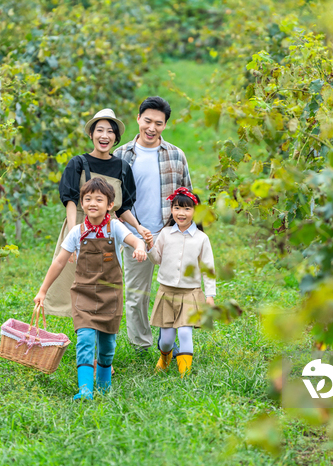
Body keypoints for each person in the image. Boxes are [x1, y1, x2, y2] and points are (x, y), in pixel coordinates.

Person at [34, 178, 147, 400]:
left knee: (107, 345)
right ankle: (85, 390)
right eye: (87, 199)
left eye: (99, 199)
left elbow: (135, 240)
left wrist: (141, 248)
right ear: (82, 205)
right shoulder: (77, 231)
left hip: (110, 295)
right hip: (83, 294)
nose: (92, 203)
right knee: (85, 339)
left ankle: (104, 387)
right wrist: (43, 290)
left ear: (110, 205)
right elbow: (58, 262)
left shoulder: (115, 227)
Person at [44, 108, 151, 318]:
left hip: (108, 230)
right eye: (99, 130)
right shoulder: (78, 163)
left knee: (102, 280)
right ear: (91, 134)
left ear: (116, 138)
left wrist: (138, 228)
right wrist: (74, 232)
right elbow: (71, 201)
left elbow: (123, 207)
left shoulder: (122, 167)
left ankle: (98, 322)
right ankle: (75, 323)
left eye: (110, 132)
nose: (104, 136)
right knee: (68, 277)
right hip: (81, 225)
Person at [113, 96, 192, 351]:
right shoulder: (121, 155)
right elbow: (112, 200)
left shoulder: (176, 155)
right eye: (147, 121)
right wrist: (130, 231)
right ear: (138, 119)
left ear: (165, 125)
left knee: (175, 291)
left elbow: (186, 195)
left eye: (158, 123)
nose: (152, 127)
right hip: (134, 234)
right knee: (137, 295)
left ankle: (170, 340)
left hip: (168, 232)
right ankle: (141, 344)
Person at [146, 187, 215, 377]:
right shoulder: (166, 234)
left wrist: (210, 295)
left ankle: (185, 374)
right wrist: (150, 246)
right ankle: (164, 358)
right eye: (177, 208)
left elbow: (208, 269)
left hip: (190, 293)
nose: (181, 213)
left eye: (187, 209)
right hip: (167, 292)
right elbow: (157, 259)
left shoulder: (201, 239)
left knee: (185, 333)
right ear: (171, 210)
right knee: (166, 340)